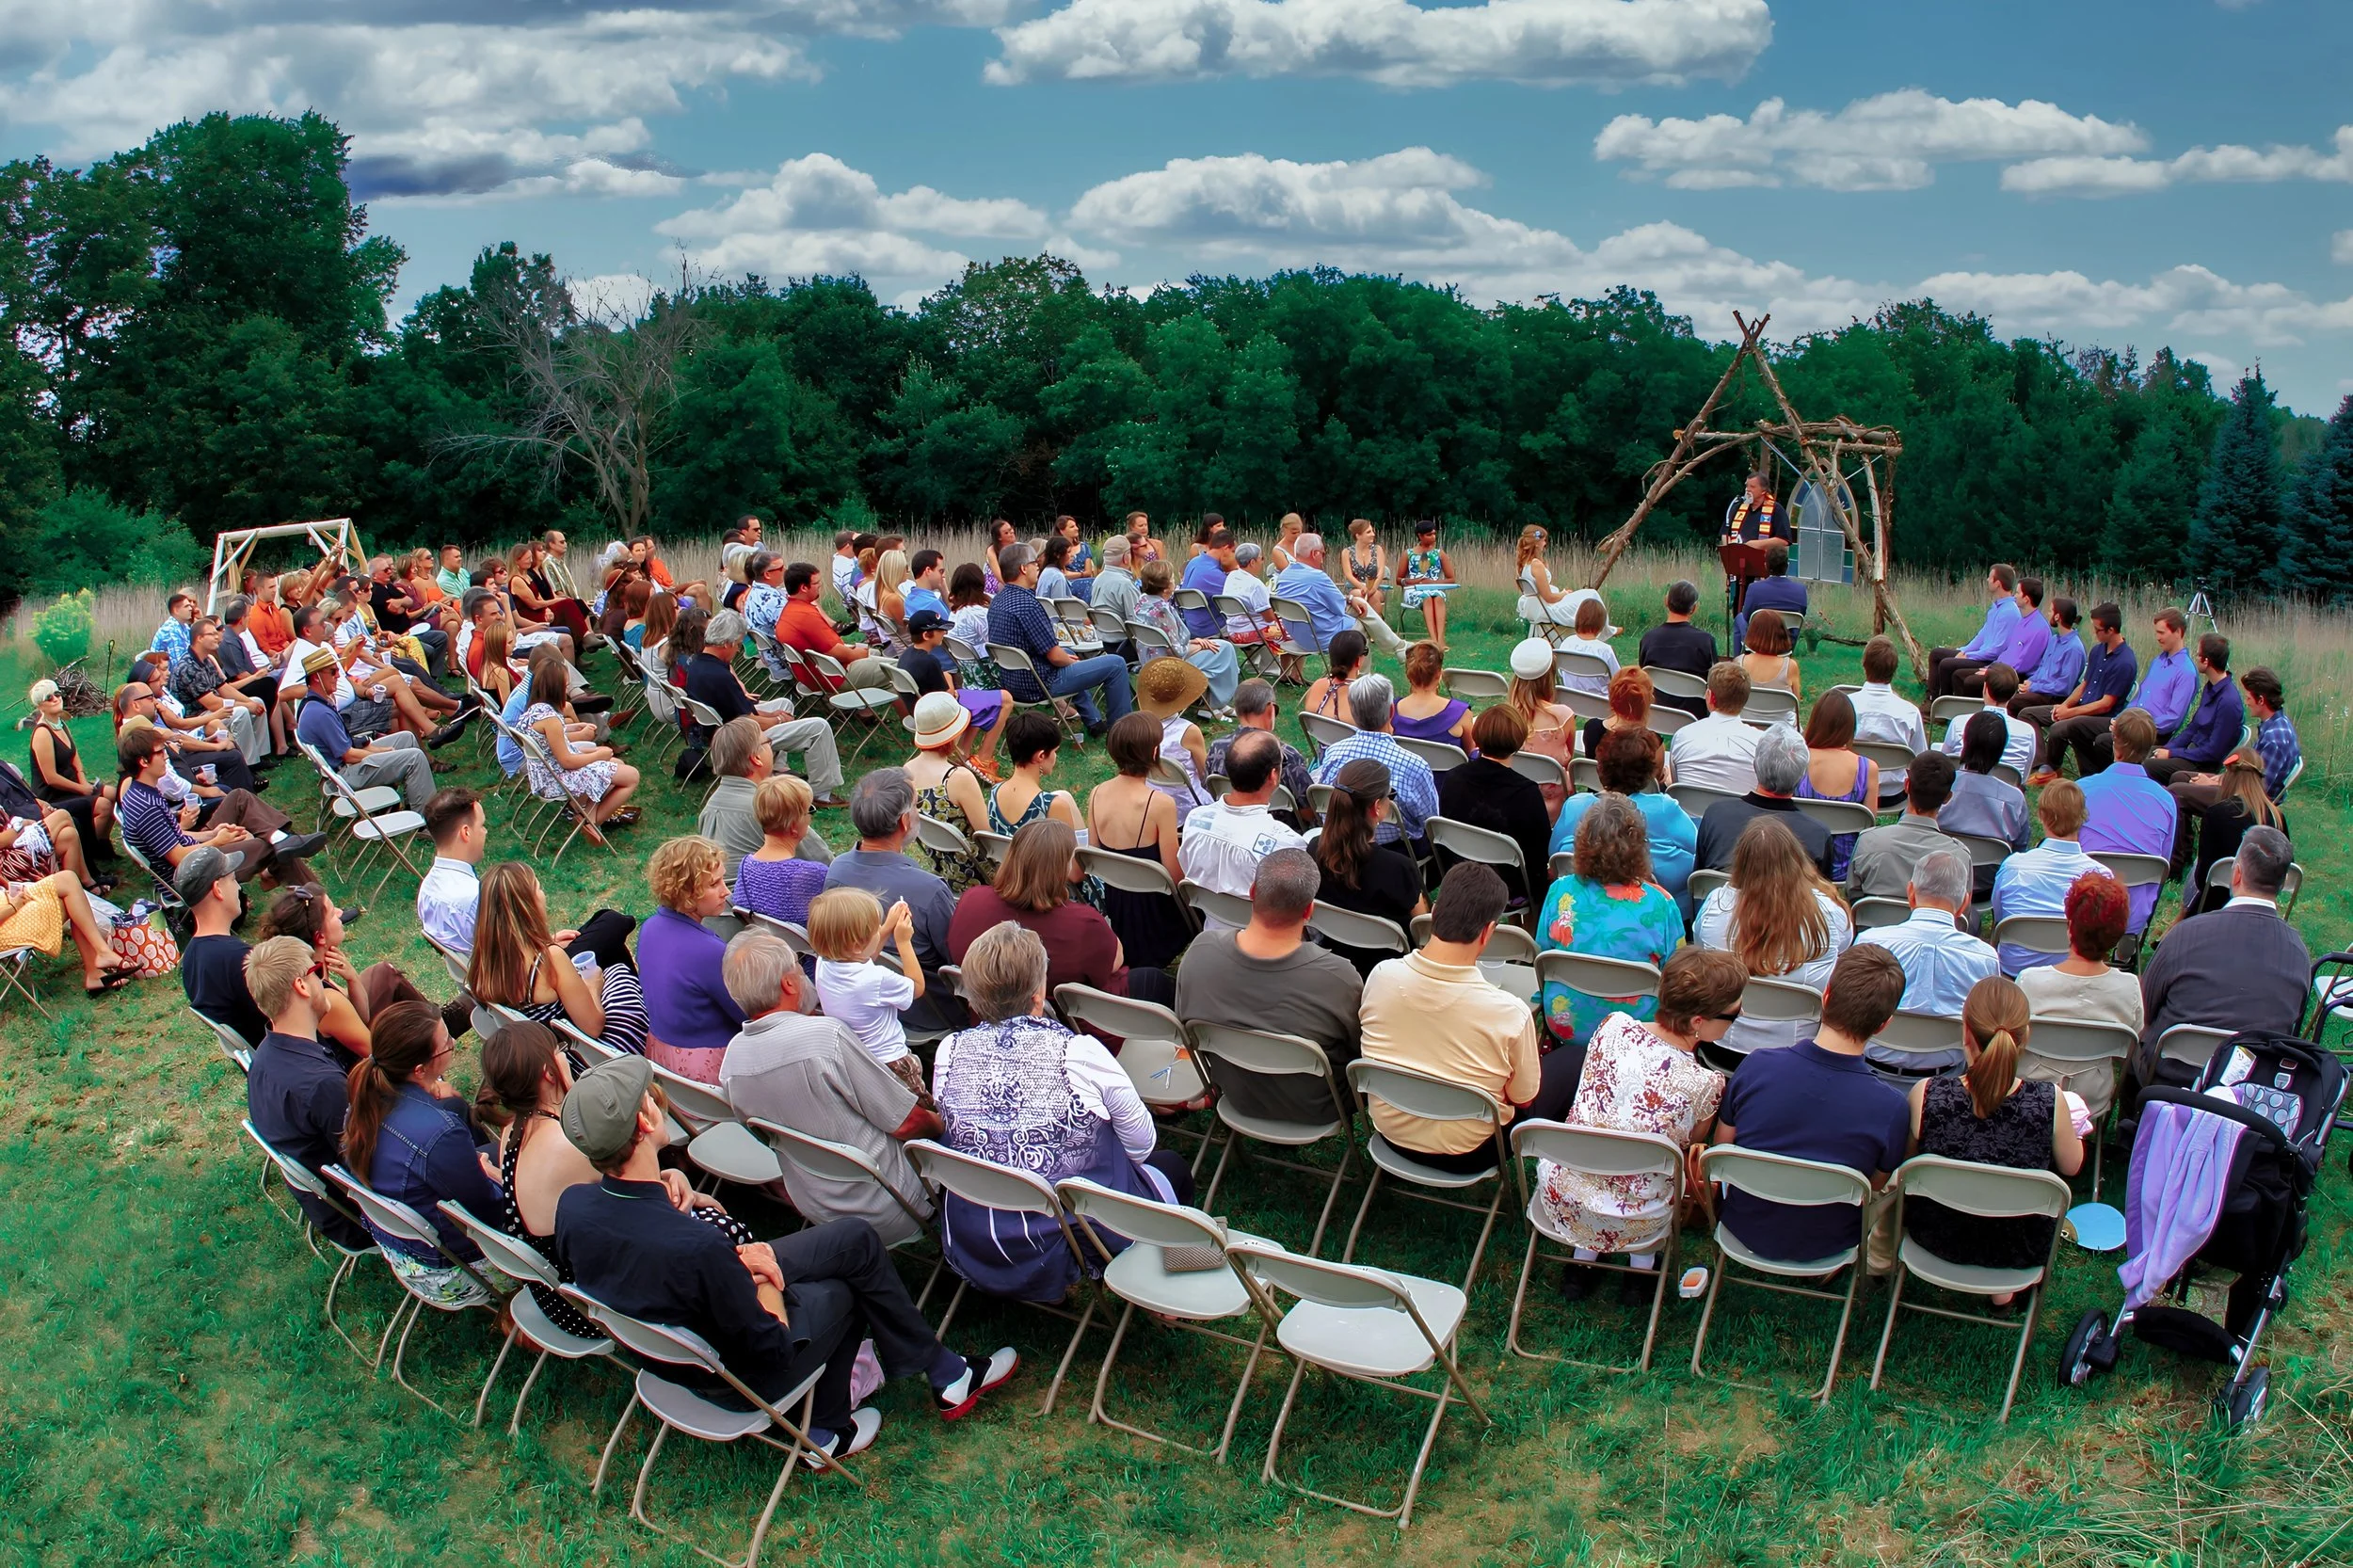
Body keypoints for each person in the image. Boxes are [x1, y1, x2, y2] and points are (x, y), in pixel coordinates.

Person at [555, 1055, 1016, 1459]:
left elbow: (637, 1232)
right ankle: (829, 1429)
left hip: (672, 1343)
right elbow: (772, 1347)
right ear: (643, 1122)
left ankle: (942, 1370)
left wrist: (673, 1184)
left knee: (854, 1240)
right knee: (843, 1288)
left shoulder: (574, 1207)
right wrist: (762, 1279)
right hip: (733, 1374)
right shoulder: (698, 1249)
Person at [932, 920, 1195, 1301]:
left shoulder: (948, 1053)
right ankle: (1161, 1283)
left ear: (971, 998)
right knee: (1170, 1167)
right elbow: (1141, 1143)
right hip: (1069, 1235)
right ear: (1039, 993)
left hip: (981, 1232)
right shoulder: (1079, 1052)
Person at [1533, 948, 1746, 1304]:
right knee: (1654, 1166)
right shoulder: (1706, 1083)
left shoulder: (1612, 1026)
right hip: (1637, 1217)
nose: (1736, 1020)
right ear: (1698, 1022)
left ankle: (1581, 1265)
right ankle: (1640, 1272)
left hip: (1561, 1193)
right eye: (1732, 1016)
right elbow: (1688, 1143)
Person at [719, 930, 938, 1245]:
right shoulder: (827, 1038)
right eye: (797, 966)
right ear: (789, 984)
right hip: (892, 1205)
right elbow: (908, 1122)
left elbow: (767, 1138)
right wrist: (944, 1127)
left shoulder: (731, 1065)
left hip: (816, 1207)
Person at [1710, 944, 1913, 1271]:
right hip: (1831, 1240)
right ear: (1883, 1025)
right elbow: (1871, 1187)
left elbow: (1723, 1150)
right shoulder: (1892, 1108)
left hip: (1743, 1225)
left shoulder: (1756, 1067)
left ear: (1826, 996)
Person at [1359, 864, 1573, 1171]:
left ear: (1435, 913)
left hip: (1390, 1133)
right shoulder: (1508, 1012)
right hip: (1471, 1153)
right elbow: (1523, 1099)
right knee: (1576, 1058)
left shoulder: (1380, 976)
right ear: (1488, 931)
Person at [1901, 977, 2083, 1286]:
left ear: (1965, 1033)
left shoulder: (1926, 1093)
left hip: (1934, 1239)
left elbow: (1906, 1163)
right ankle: (2003, 1294)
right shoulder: (2051, 1101)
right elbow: (2072, 1165)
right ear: (2025, 1036)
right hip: (2017, 1251)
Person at [1173, 847, 1364, 1126]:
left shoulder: (1200, 952)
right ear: (1309, 910)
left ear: (1251, 892)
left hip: (1238, 1097)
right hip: (1320, 1107)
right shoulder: (1339, 976)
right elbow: (1358, 1048)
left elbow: (1188, 1032)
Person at [341, 1001, 510, 1308]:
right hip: (452, 1272)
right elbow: (490, 1212)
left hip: (405, 1250)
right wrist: (501, 1180)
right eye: (446, 1044)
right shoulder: (440, 1133)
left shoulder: (361, 1106)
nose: (454, 1043)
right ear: (418, 1069)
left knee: (495, 1152)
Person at [2134, 827, 2308, 1089]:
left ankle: (2135, 1125)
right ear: (2282, 884)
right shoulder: (2299, 953)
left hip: (2169, 1081)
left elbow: (2144, 1010)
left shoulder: (2186, 934)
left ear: (2236, 874)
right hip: (2247, 1088)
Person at [951, 817, 1170, 1007]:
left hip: (988, 1014)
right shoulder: (1083, 924)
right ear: (1060, 868)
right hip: (1070, 1025)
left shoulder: (971, 899)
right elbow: (1114, 962)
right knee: (1152, 979)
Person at [242, 936, 372, 1249]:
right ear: (302, 986)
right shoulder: (321, 1085)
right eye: (316, 971)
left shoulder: (264, 1057)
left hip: (328, 1209)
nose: (322, 979)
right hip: (363, 1218)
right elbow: (371, 1165)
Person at [1695, 816, 1853, 1057]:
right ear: (1796, 859)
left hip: (1722, 1048)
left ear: (1740, 862)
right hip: (1797, 1055)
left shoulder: (1715, 905)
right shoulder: (1831, 914)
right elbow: (1844, 948)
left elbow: (1701, 951)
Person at [1537, 792, 1685, 1048]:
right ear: (1639, 847)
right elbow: (1676, 979)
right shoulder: (1662, 903)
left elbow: (1543, 952)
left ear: (1581, 843)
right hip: (1635, 1032)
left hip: (1567, 1022)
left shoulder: (1560, 892)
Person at [468, 862, 648, 1057]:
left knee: (609, 945)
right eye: (539, 888)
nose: (543, 894)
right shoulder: (549, 960)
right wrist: (592, 987)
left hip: (544, 1047)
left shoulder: (482, 965)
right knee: (616, 967)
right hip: (589, 1056)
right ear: (527, 906)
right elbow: (594, 1027)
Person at [825, 770, 959, 1034]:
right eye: (916, 806)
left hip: (862, 1008)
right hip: (932, 1012)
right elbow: (957, 961)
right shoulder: (930, 890)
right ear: (904, 822)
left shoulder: (837, 872)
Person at [116, 727, 322, 891]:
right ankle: (318, 907)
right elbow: (178, 858)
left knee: (238, 797)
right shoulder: (147, 806)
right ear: (143, 761)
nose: (166, 757)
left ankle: (279, 840)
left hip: (193, 852)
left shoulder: (143, 791)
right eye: (160, 753)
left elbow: (172, 837)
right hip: (192, 872)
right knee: (271, 847)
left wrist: (212, 833)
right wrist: (217, 841)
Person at [688, 609, 849, 808]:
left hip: (723, 728)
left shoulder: (698, 663)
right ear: (727, 643)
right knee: (819, 727)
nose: (738, 650)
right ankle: (821, 793)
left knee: (784, 704)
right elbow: (747, 719)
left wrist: (774, 714)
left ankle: (777, 769)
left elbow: (739, 708)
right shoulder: (719, 676)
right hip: (738, 740)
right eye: (738, 645)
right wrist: (779, 720)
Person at [2015, 872, 2139, 1121]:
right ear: (2117, 935)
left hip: (2030, 1092)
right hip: (2091, 1101)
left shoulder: (2030, 981)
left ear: (2070, 927)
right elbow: (2127, 1046)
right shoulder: (2129, 988)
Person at [638, 837, 749, 1083]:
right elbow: (747, 1017)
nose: (726, 890)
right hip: (707, 1067)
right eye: (714, 884)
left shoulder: (649, 928)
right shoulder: (709, 951)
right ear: (686, 892)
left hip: (661, 1059)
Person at [990, 544, 1132, 734]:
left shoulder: (997, 601)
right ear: (1023, 568)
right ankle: (1122, 730)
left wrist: (1067, 658)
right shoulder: (1028, 605)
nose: (1037, 566)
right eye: (1034, 563)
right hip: (1041, 683)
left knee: (1069, 652)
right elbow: (1055, 657)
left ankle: (1094, 722)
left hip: (1013, 682)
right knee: (1116, 663)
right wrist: (1068, 662)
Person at [1086, 712, 1191, 970]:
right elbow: (1174, 876)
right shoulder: (1160, 804)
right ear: (1155, 752)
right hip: (1156, 916)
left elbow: (1091, 855)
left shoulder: (1096, 793)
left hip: (1118, 908)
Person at [1553, 728, 1698, 912]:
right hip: (1654, 910)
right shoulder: (1663, 807)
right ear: (1648, 773)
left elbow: (1554, 854)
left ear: (1600, 769)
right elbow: (1697, 848)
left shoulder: (1574, 806)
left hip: (1585, 906)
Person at [1306, 757, 1426, 973]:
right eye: (1390, 796)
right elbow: (1424, 927)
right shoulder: (1397, 868)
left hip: (1336, 959)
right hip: (1391, 970)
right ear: (1377, 807)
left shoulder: (1315, 849)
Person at [809, 887, 929, 1097]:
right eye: (875, 929)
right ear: (857, 945)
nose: (879, 931)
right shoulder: (877, 978)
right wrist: (903, 941)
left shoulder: (824, 963)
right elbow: (917, 988)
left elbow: (862, 956)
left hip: (859, 1060)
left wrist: (887, 926)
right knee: (917, 1103)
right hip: (893, 1062)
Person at [1180, 728, 1307, 923]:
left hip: (1213, 929)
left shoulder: (1195, 820)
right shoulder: (1286, 844)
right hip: (1264, 942)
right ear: (1273, 776)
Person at [1989, 780, 2113, 976]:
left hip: (2015, 970)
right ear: (2083, 817)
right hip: (2073, 974)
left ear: (2042, 816)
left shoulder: (2014, 867)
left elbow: (1999, 915)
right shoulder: (2102, 877)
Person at [1855, 848, 1998, 1017]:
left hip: (1875, 1042)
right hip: (1953, 1044)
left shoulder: (1869, 943)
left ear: (1911, 893)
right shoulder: (1986, 959)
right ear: (1964, 904)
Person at [294, 648, 440, 809]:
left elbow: (346, 744)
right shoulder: (320, 714)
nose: (338, 676)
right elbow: (348, 756)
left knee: (407, 738)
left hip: (345, 766)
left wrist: (376, 748)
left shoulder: (315, 703)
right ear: (316, 677)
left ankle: (413, 800)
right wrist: (383, 752)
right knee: (415, 757)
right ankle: (425, 818)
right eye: (333, 671)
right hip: (346, 775)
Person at [695, 716, 834, 884]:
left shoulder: (709, 807)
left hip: (720, 901)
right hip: (759, 902)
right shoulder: (767, 804)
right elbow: (822, 861)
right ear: (756, 758)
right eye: (768, 743)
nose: (771, 748)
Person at [1438, 704, 1551, 906]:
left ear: (1478, 736)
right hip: (1509, 889)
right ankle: (1527, 934)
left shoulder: (1454, 778)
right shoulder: (1526, 793)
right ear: (1518, 741)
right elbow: (1539, 854)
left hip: (1461, 876)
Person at [515, 659, 638, 841]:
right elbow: (567, 761)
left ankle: (585, 811)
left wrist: (573, 729)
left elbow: (550, 740)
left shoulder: (534, 711)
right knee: (632, 776)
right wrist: (598, 755)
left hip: (544, 774)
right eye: (565, 686)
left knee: (617, 764)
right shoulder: (551, 719)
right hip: (557, 780)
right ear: (555, 688)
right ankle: (590, 821)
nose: (566, 690)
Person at [1310, 675, 1437, 852]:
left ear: (1353, 713)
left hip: (1342, 842)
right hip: (1398, 849)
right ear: (1392, 711)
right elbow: (1430, 820)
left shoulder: (1333, 754)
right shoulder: (1414, 765)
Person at [2076, 709, 2174, 935]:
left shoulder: (2083, 789)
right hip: (2133, 917)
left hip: (2083, 909)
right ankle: (2126, 953)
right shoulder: (2165, 801)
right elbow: (2162, 867)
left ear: (2115, 742)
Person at [1693, 726, 1835, 879]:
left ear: (1755, 766)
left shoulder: (1717, 815)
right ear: (1802, 777)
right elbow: (1822, 895)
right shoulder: (1818, 834)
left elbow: (1699, 881)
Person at [2163, 664, 2294, 827]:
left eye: (2248, 697)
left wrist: (2214, 783)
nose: (2246, 702)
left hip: (2248, 802)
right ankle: (2183, 843)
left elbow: (2257, 789)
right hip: (2241, 784)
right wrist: (2219, 779)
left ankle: (2181, 852)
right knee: (2179, 777)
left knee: (2177, 792)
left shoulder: (2275, 740)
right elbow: (2249, 772)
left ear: (2261, 700)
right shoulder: (2274, 724)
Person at [2029, 601, 2138, 784]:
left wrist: (2069, 713)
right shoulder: (2097, 651)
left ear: (2111, 630)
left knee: (2063, 727)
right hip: (2082, 707)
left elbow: (2106, 704)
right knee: (2029, 713)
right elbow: (2084, 685)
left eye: (2097, 630)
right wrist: (2063, 706)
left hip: (2104, 717)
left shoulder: (2125, 662)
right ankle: (2043, 765)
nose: (2094, 633)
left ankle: (2055, 771)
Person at [901, 694, 995, 894]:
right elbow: (988, 838)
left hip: (943, 874)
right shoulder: (958, 777)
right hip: (980, 877)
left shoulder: (907, 771)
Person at [899, 610, 1011, 771]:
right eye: (940, 630)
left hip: (919, 710)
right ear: (926, 635)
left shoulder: (907, 654)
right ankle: (983, 759)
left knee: (978, 703)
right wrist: (949, 679)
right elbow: (949, 696)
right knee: (1005, 699)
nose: (944, 633)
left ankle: (962, 753)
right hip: (938, 713)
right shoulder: (929, 661)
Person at [2184, 749, 2290, 915]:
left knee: (2198, 864)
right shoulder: (2277, 817)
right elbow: (2284, 872)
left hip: (2213, 907)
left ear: (2229, 775)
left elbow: (2202, 879)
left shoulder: (2217, 813)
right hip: (2261, 908)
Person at [1273, 533, 1410, 659]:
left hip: (1300, 637)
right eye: (1323, 554)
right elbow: (1340, 609)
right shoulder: (1317, 577)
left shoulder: (1285, 575)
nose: (1323, 558)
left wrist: (1351, 598)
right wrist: (1350, 600)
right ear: (1315, 554)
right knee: (1362, 624)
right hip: (1323, 638)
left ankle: (1398, 647)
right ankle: (1361, 676)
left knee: (1359, 604)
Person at [1790, 691, 1877, 883]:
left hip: (1800, 862)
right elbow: (1869, 827)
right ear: (1850, 727)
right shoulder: (1867, 768)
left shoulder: (1798, 759)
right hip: (1846, 870)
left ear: (1815, 721)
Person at [1134, 560, 1243, 712]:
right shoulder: (1163, 611)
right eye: (1172, 578)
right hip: (1167, 665)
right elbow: (1177, 651)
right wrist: (1198, 645)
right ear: (1166, 588)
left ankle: (1213, 701)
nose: (1175, 581)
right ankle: (1214, 704)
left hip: (1148, 660)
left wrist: (1194, 641)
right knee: (1223, 648)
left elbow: (1165, 639)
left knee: (1212, 646)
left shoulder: (1142, 602)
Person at [1208, 680, 1317, 829]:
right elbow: (1309, 812)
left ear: (1237, 709)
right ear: (1270, 709)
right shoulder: (1285, 755)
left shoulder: (1216, 748)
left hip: (1230, 824)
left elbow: (1211, 790)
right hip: (1280, 831)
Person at [26, 679, 118, 858]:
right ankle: (90, 851)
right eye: (48, 697)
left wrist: (83, 780)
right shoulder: (43, 733)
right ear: (40, 706)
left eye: (57, 693)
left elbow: (74, 756)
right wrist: (81, 789)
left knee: (114, 793)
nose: (55, 698)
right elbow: (50, 777)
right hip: (54, 795)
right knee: (103, 806)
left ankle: (100, 842)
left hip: (74, 784)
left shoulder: (60, 724)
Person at [1941, 713, 2031, 894]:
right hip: (1987, 883)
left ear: (1965, 741)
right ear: (2002, 748)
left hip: (1939, 875)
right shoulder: (2014, 798)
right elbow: (2020, 849)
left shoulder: (1940, 785)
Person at [773, 562, 896, 692]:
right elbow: (836, 652)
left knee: (874, 653)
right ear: (804, 587)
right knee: (899, 671)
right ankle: (907, 710)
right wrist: (860, 654)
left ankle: (865, 711)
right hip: (835, 677)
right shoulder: (805, 616)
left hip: (812, 675)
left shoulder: (789, 611)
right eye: (816, 583)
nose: (820, 585)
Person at [733, 774, 831, 930]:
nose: (811, 818)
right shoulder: (814, 874)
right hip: (804, 952)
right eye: (809, 811)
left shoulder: (745, 867)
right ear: (793, 826)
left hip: (762, 948)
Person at [2145, 632, 2243, 789]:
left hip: (2202, 763)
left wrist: (2172, 754)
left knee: (2146, 765)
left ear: (2206, 661)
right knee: (2140, 752)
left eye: (2198, 655)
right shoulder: (2210, 688)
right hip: (2191, 752)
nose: (2196, 658)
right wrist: (2168, 748)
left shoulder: (2229, 702)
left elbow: (2212, 752)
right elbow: (2193, 728)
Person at [173, 616, 269, 763]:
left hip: (209, 709)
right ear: (199, 638)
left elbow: (224, 688)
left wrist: (250, 702)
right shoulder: (188, 667)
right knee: (241, 712)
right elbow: (212, 704)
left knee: (257, 701)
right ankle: (249, 763)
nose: (217, 636)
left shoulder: (206, 660)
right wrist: (247, 705)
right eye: (212, 634)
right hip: (196, 717)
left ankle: (262, 755)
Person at [986, 709, 1087, 843]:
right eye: (1054, 751)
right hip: (1043, 864)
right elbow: (1070, 859)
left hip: (1007, 862)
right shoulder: (1052, 806)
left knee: (1064, 795)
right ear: (1040, 756)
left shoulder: (995, 792)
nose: (1055, 756)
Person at [1928, 563, 2023, 699]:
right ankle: (1931, 696)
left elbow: (1996, 649)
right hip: (1979, 654)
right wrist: (1964, 650)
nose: (1987, 580)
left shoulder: (2010, 612)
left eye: (1990, 577)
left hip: (1987, 659)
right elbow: (1982, 636)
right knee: (1936, 654)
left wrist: (1971, 655)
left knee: (1947, 664)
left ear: (1998, 584)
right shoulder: (1996, 608)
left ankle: (1943, 705)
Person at [1667, 663, 1762, 796]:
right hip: (1742, 816)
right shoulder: (1762, 744)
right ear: (1744, 699)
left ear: (1709, 696)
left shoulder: (1683, 735)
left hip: (1690, 816)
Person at [1133, 657, 1213, 810]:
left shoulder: (1139, 728)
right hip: (1189, 806)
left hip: (1152, 805)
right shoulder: (1188, 732)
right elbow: (1206, 774)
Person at [1937, 663, 2037, 780]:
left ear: (1985, 688)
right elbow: (2023, 777)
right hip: (2006, 795)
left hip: (1962, 788)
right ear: (2014, 693)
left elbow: (1946, 762)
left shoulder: (1959, 723)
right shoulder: (2027, 731)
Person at [1956, 575, 2050, 699]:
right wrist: (1992, 667)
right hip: (2003, 669)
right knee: (1959, 675)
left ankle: (1979, 714)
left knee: (1971, 682)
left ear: (2026, 599)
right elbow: (2009, 653)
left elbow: (2023, 663)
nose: (2014, 596)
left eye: (2017, 593)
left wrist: (1994, 672)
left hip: (2015, 675)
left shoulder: (2039, 628)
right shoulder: (2022, 621)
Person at [1637, 580, 1718, 719]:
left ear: (1666, 602)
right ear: (1694, 608)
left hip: (1657, 714)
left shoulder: (1648, 639)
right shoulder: (1705, 641)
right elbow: (1714, 680)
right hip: (1694, 716)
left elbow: (1644, 674)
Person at [1513, 524, 1607, 636]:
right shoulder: (1536, 565)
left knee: (1588, 595)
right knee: (1591, 594)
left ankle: (1602, 630)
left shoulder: (1526, 565)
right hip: (1548, 609)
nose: (1545, 544)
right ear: (1537, 543)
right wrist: (1564, 593)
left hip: (1541, 606)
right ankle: (1603, 630)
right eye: (1544, 541)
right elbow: (1549, 597)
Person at [1392, 641, 1476, 750]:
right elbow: (1470, 753)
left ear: (1409, 675)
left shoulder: (1391, 712)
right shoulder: (1461, 713)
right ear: (1439, 674)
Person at [1731, 540, 1807, 654]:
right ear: (1787, 565)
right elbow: (1801, 615)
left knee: (1739, 618)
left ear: (1766, 565)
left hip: (1758, 641)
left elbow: (1747, 617)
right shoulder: (1800, 590)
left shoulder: (1754, 589)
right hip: (1785, 643)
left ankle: (1738, 660)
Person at [1395, 520, 1456, 649]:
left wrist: (1433, 582)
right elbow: (1399, 579)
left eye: (1434, 534)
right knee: (1427, 599)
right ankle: (1433, 640)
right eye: (1429, 535)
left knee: (1438, 597)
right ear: (1420, 536)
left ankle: (1440, 639)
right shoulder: (1408, 554)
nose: (1433, 537)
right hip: (1414, 590)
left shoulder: (1440, 554)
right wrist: (1413, 581)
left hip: (1435, 588)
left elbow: (1451, 579)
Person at [1554, 597, 1620, 699]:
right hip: (1601, 702)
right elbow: (1618, 680)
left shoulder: (1566, 643)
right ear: (1601, 624)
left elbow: (1561, 673)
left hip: (1571, 698)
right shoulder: (1605, 651)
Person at [1299, 630, 1369, 723]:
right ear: (1358, 660)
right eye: (1365, 652)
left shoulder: (1317, 686)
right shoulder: (1365, 695)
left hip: (1320, 737)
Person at [1737, 608, 1800, 701]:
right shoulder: (1790, 667)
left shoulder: (1739, 663)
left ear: (1751, 633)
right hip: (1780, 715)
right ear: (1783, 635)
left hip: (1745, 716)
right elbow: (1796, 702)